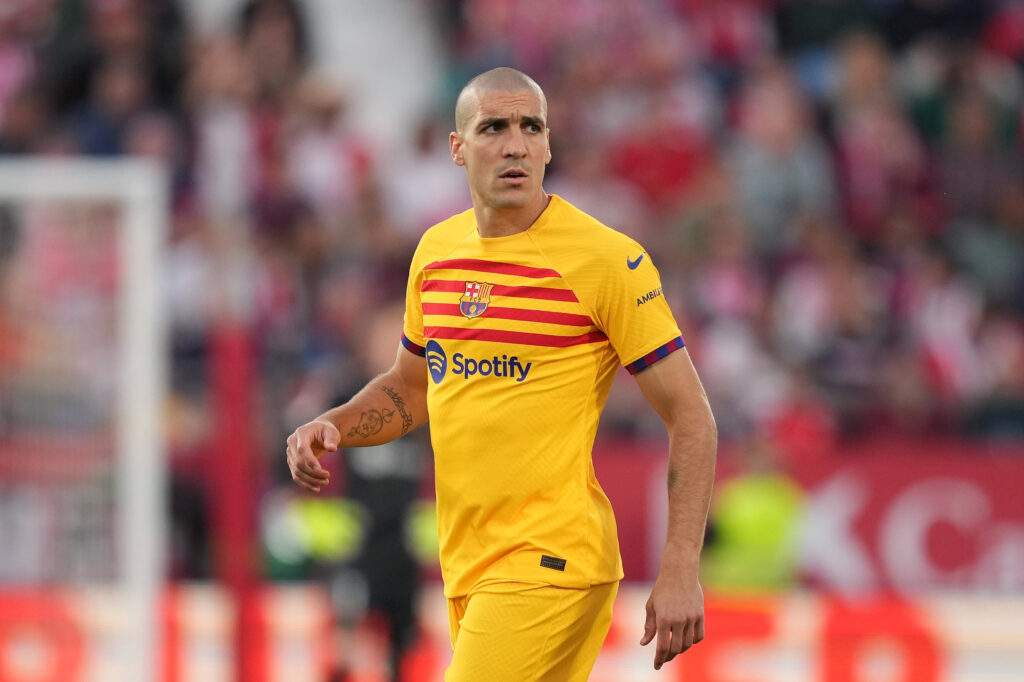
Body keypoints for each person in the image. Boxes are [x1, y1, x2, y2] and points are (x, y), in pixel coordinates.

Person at [286, 67, 718, 680]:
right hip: (470, 566)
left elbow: (691, 416)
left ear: (547, 144)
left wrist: (680, 566)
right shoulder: (436, 253)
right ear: (458, 149)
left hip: (549, 560)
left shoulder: (605, 260)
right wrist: (333, 425)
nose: (515, 143)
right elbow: (411, 388)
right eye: (494, 127)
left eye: (530, 127)